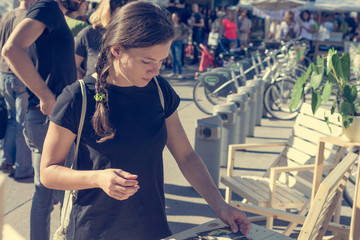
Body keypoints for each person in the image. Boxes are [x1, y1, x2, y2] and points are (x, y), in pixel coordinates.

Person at [40, 1, 251, 239]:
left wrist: (220, 205)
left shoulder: (160, 91)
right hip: (93, 231)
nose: (156, 70)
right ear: (117, 50)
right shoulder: (77, 97)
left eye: (161, 61)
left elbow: (186, 156)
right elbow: (48, 173)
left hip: (153, 230)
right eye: (147, 61)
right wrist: (97, 178)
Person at [1, 0, 81, 239]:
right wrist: (45, 96)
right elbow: (11, 49)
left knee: (58, 193)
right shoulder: (47, 6)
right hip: (49, 118)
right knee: (46, 193)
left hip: (59, 117)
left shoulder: (55, 14)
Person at [0, 0, 35, 179]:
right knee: (23, 123)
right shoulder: (27, 18)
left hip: (3, 74)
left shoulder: (6, 16)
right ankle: (23, 168)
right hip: (19, 75)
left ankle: (6, 159)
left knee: (13, 119)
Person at [75, 0, 132, 79]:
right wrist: (88, 83)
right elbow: (73, 66)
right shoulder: (89, 33)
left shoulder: (134, 35)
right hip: (95, 89)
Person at [167, 11, 190, 79]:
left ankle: (180, 73)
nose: (173, 18)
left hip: (178, 43)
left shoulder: (182, 25)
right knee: (173, 58)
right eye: (172, 17)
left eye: (175, 17)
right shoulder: (170, 25)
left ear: (178, 18)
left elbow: (188, 31)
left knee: (178, 58)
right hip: (171, 43)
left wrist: (182, 37)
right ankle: (174, 72)